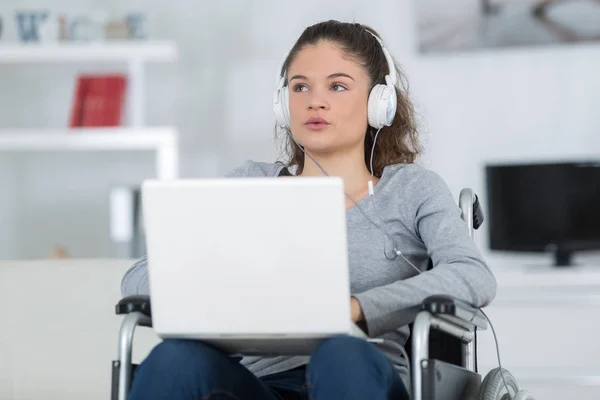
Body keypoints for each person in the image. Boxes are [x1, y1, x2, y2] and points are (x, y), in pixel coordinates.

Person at [120, 19, 497, 400]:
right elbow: (139, 276)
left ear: (378, 103)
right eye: (300, 87)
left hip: (358, 375)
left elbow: (472, 275)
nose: (315, 101)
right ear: (284, 105)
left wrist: (352, 309)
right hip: (259, 385)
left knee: (338, 351)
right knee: (173, 359)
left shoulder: (411, 189)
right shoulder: (250, 184)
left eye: (337, 86)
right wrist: (224, 292)